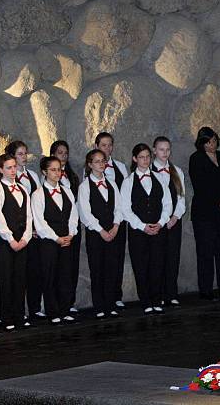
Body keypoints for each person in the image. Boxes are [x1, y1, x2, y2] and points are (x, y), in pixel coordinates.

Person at [121, 144, 172, 315]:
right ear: (135, 159)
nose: (145, 160)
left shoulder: (160, 178)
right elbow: (126, 209)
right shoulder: (128, 182)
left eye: (148, 157)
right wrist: (142, 226)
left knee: (157, 265)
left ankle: (157, 300)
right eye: (141, 157)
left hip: (158, 229)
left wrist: (161, 222)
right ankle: (146, 301)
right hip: (138, 232)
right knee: (141, 266)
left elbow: (167, 204)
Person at [189, 127, 220, 300]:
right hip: (205, 213)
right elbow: (200, 187)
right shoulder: (196, 159)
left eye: (214, 140)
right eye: (208, 142)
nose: (212, 144)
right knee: (205, 251)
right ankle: (206, 289)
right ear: (201, 144)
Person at [32, 157, 79, 325]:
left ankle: (65, 309)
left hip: (67, 239)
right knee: (50, 277)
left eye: (59, 169)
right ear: (44, 172)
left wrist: (71, 234)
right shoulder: (38, 195)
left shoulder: (66, 191)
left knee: (65, 275)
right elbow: (39, 222)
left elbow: (74, 215)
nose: (57, 173)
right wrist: (57, 238)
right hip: (49, 242)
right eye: (53, 170)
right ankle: (53, 312)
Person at [0, 154, 33, 331]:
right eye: (9, 167)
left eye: (14, 167)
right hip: (6, 242)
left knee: (20, 279)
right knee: (6, 279)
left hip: (22, 241)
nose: (13, 170)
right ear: (0, 170)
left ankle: (19, 315)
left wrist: (25, 238)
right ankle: (7, 317)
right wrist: (11, 239)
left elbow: (29, 216)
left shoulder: (22, 189)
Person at [77, 149, 122, 319]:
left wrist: (116, 226)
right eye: (97, 161)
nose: (101, 164)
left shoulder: (112, 184)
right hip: (96, 234)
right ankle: (99, 306)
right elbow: (85, 213)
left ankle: (110, 304)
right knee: (97, 270)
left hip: (113, 232)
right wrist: (101, 230)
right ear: (89, 165)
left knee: (112, 269)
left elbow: (119, 207)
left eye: (103, 161)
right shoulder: (84, 187)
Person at [4, 141, 44, 321]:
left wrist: (36, 227)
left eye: (25, 153)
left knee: (34, 271)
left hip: (33, 231)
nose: (24, 157)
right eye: (20, 154)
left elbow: (38, 203)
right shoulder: (7, 180)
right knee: (17, 274)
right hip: (16, 232)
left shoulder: (33, 175)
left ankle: (34, 308)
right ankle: (15, 312)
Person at [95, 132, 128, 310]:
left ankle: (116, 295)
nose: (107, 149)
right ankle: (102, 300)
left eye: (110, 145)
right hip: (100, 224)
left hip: (118, 221)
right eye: (103, 145)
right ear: (97, 147)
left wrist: (118, 222)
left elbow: (125, 196)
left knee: (117, 259)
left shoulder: (121, 167)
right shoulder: (90, 171)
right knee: (101, 263)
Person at [151, 136, 186, 307]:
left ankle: (171, 293)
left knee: (173, 257)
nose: (165, 153)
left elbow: (181, 199)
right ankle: (159, 295)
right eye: (161, 149)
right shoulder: (147, 172)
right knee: (157, 259)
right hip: (155, 223)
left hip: (173, 223)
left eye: (167, 150)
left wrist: (175, 217)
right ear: (154, 150)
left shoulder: (177, 171)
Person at [50, 140, 81, 315]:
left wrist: (73, 229)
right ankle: (56, 305)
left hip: (72, 227)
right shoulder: (45, 180)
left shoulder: (72, 177)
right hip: (55, 230)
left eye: (66, 153)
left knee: (71, 266)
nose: (64, 156)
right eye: (60, 152)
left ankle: (69, 302)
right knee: (56, 268)